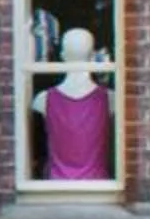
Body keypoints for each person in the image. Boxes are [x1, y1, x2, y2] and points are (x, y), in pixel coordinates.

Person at [36, 27, 114, 180]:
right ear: (92, 56)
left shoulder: (42, 99)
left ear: (62, 55)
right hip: (97, 185)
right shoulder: (110, 99)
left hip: (56, 186)